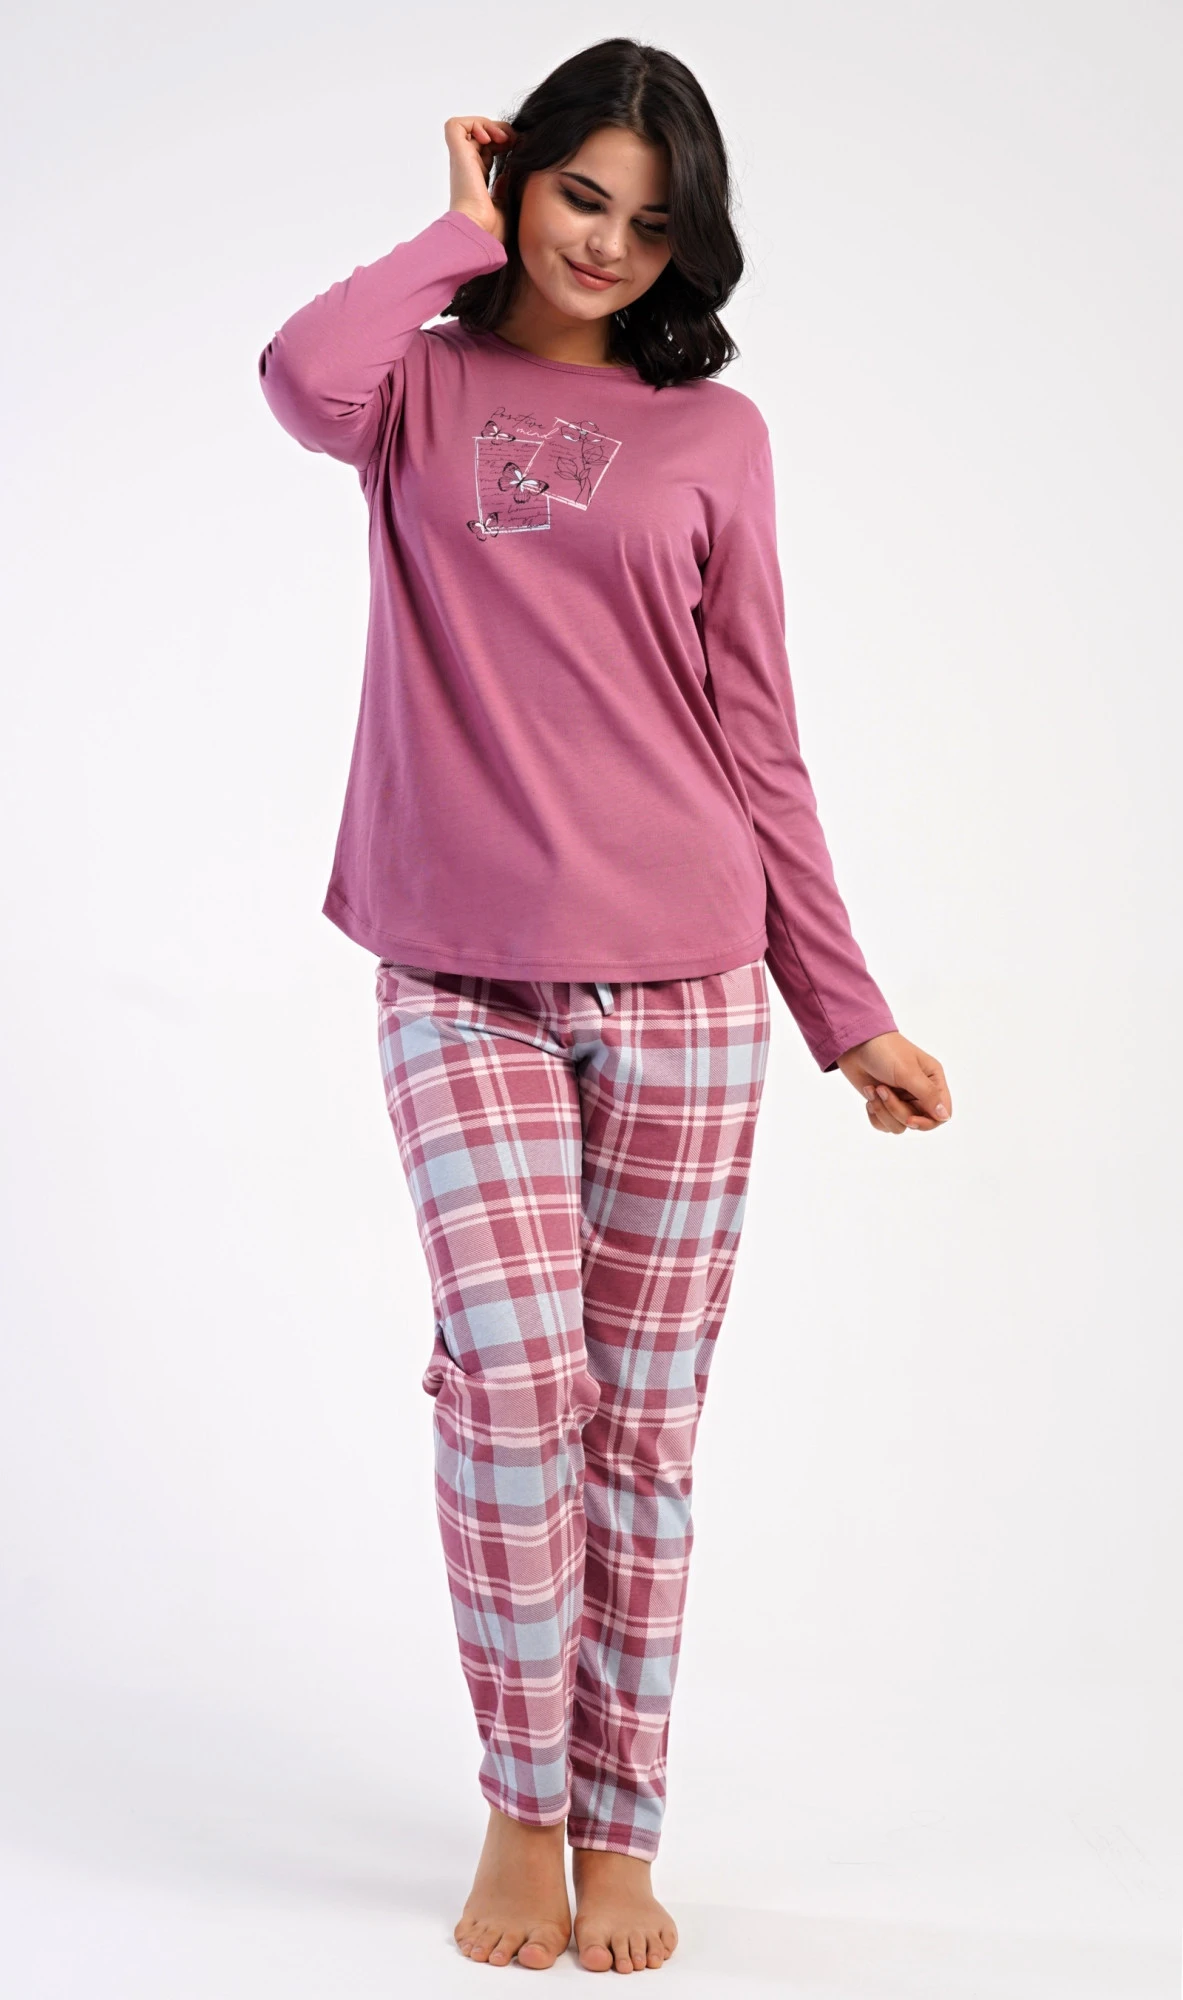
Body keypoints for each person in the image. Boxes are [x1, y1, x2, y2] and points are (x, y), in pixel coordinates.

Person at [257, 36, 951, 1977]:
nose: (608, 247)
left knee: (639, 1427)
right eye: (579, 197)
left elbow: (758, 735)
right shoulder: (414, 386)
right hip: (454, 971)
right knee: (510, 1385)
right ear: (520, 182)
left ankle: (624, 1827)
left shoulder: (715, 434)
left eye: (651, 224)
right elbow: (297, 375)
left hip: (690, 979)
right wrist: (448, 232)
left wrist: (843, 1008)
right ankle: (522, 1804)